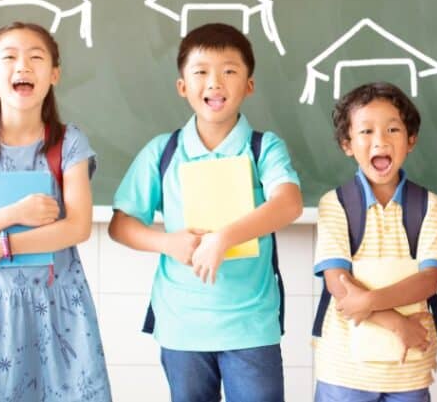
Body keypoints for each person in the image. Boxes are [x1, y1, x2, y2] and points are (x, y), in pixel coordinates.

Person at [110, 23, 302, 402]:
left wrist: (223, 239)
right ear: (182, 86)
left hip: (251, 324)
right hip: (182, 323)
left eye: (229, 71)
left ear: (249, 85)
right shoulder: (163, 151)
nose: (215, 83)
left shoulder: (264, 148)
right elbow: (122, 225)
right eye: (201, 72)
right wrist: (168, 243)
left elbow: (289, 203)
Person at [0, 22, 110, 401]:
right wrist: (14, 213)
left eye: (36, 57)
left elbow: (77, 226)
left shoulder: (69, 142)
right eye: (10, 57)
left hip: (59, 305)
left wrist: (5, 245)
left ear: (54, 74)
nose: (23, 66)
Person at [313, 82, 437, 401]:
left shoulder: (429, 204)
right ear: (347, 144)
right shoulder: (335, 204)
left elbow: (430, 279)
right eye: (366, 131)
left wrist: (370, 301)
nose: (381, 140)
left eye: (393, 129)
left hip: (409, 369)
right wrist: (398, 324)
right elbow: (338, 282)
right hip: (345, 370)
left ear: (411, 140)